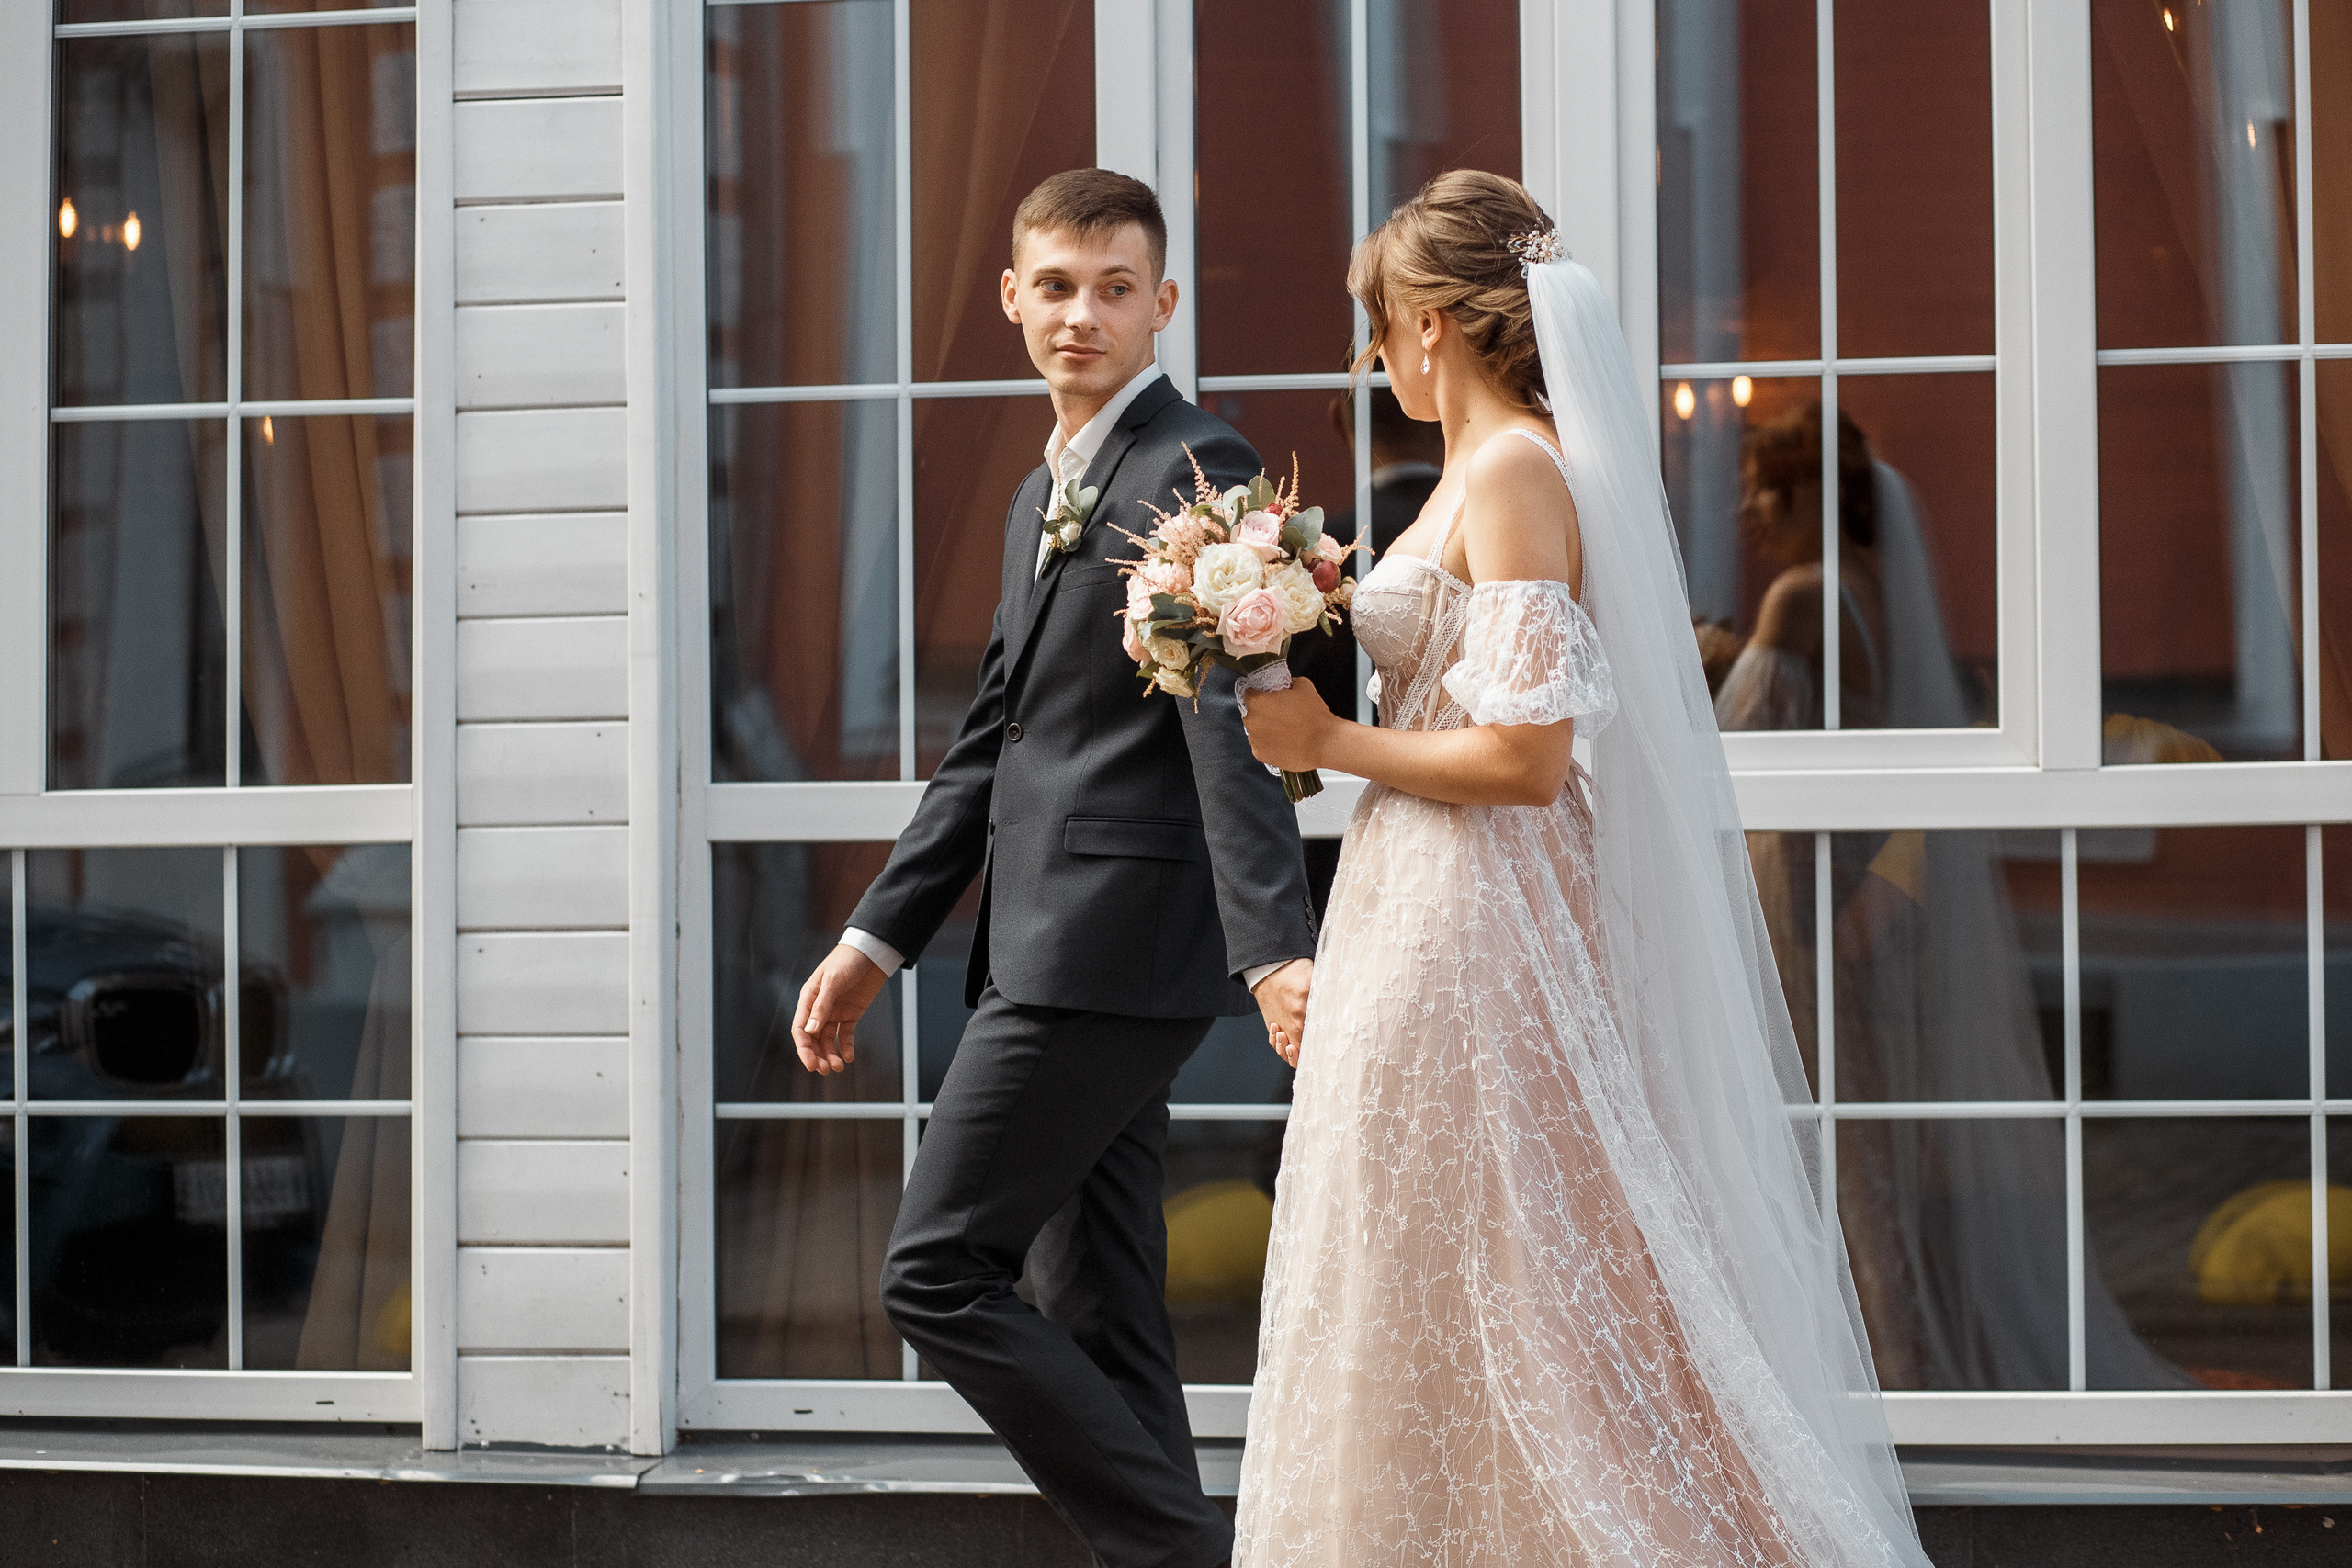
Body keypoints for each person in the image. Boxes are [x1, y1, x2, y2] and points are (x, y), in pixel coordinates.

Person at [1232, 170, 1931, 1564]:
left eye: (1379, 327)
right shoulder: (1476, 471)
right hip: (1413, 896)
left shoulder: (1513, 468)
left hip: (1478, 914)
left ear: (1431, 322)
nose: (1375, 360)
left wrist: (1329, 738)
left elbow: (1527, 757)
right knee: (1425, 1255)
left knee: (1513, 1271)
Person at [789, 168, 1317, 1568]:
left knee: (936, 1268)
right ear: (1013, 297)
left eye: (1115, 289)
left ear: (1164, 305)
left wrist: (1274, 947)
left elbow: (1233, 725)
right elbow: (993, 737)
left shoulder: (1198, 467)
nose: (1083, 315)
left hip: (1109, 941)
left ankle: (1189, 1553)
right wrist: (875, 938)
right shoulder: (1047, 486)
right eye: (1058, 287)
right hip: (1041, 935)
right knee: (1102, 1301)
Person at [1715, 405, 2186, 1393]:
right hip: (1828, 897)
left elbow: (1735, 741)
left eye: (1761, 484)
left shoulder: (1802, 596)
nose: (1746, 508)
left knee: (1820, 1143)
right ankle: (1897, 1360)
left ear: (1809, 492)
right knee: (1857, 1143)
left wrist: (1708, 662)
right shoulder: (1874, 597)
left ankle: (1868, 1370)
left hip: (1791, 902)